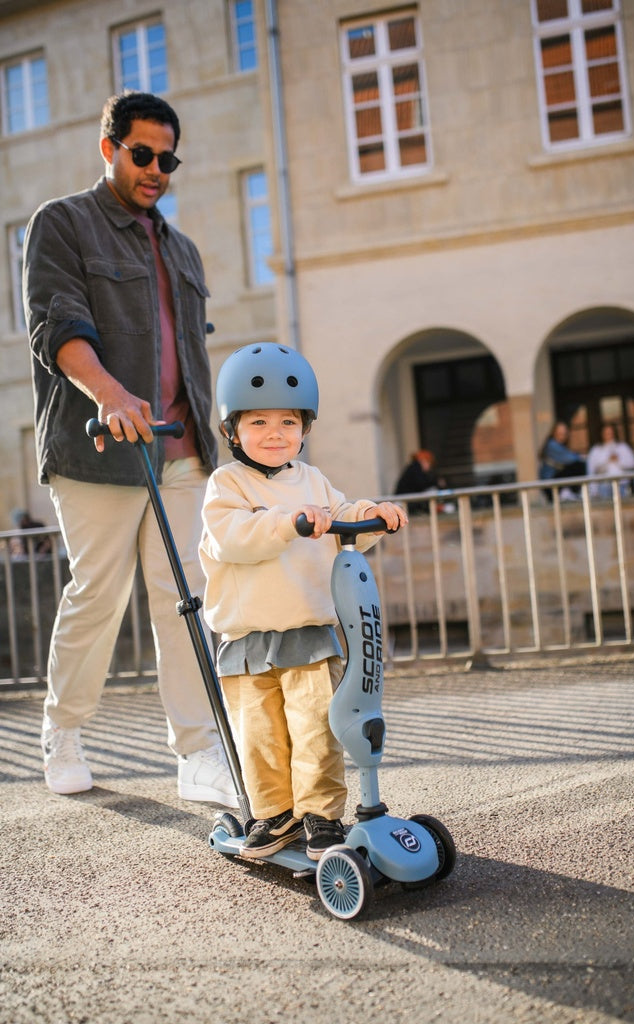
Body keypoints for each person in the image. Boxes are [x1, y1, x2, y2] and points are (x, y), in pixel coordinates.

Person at [23, 90, 237, 807]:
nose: (155, 170)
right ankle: (63, 731)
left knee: (187, 597)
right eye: (142, 154)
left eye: (167, 160)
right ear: (108, 148)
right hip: (98, 450)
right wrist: (110, 394)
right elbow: (57, 326)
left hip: (181, 449)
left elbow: (191, 355)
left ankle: (198, 750)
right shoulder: (63, 223)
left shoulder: (181, 249)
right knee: (99, 594)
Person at [199, 343, 408, 861]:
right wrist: (288, 522)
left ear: (305, 428)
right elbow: (232, 538)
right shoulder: (227, 484)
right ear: (232, 430)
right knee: (260, 736)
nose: (275, 433)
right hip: (246, 638)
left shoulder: (312, 481)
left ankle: (319, 815)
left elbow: (343, 517)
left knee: (315, 728)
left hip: (308, 633)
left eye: (288, 422)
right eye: (259, 421)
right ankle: (274, 815)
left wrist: (374, 513)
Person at [586, 422, 634, 498]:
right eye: (606, 433)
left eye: (610, 433)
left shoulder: (622, 447)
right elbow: (592, 470)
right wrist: (607, 461)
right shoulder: (596, 450)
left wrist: (618, 461)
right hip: (604, 485)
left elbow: (633, 464)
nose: (608, 436)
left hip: (621, 484)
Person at [538, 421, 586, 501]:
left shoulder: (559, 445)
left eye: (564, 433)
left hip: (553, 482)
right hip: (550, 484)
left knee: (577, 465)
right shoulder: (552, 445)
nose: (562, 436)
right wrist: (582, 457)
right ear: (554, 433)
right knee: (578, 465)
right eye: (560, 433)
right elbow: (569, 458)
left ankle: (570, 492)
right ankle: (570, 492)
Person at [394, 449, 446, 513]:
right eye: (429, 462)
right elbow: (421, 484)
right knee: (432, 491)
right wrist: (437, 482)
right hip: (404, 501)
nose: (429, 466)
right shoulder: (416, 468)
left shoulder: (414, 468)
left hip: (405, 499)